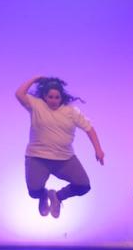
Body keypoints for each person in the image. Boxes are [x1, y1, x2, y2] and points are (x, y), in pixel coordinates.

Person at [15, 75, 104, 218]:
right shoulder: (36, 105)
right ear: (45, 96)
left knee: (83, 186)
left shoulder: (71, 112)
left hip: (64, 159)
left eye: (57, 97)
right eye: (50, 97)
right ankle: (43, 195)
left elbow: (89, 129)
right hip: (38, 158)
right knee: (34, 192)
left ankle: (57, 197)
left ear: (61, 97)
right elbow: (19, 94)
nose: (53, 100)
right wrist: (35, 79)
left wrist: (98, 150)